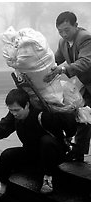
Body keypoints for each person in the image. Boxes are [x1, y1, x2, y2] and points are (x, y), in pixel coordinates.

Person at [0, 88, 77, 202]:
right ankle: (1, 189)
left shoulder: (43, 115)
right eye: (11, 110)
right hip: (33, 152)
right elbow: (4, 125)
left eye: (17, 110)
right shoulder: (14, 115)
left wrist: (68, 132)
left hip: (54, 154)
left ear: (27, 105)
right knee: (6, 155)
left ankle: (48, 179)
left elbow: (70, 124)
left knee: (46, 141)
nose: (14, 113)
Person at [44, 11, 91, 162]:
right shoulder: (62, 42)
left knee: (85, 116)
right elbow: (55, 60)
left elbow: (86, 61)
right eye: (60, 31)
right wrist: (41, 68)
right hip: (85, 84)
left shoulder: (85, 38)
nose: (63, 34)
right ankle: (78, 152)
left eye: (67, 30)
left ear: (76, 26)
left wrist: (63, 70)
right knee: (82, 116)